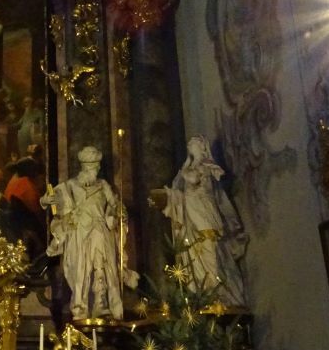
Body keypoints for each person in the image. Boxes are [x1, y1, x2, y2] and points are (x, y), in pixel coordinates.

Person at [41, 146, 137, 320]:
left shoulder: (103, 185)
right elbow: (50, 198)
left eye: (97, 167)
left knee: (103, 267)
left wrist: (116, 213)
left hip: (100, 230)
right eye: (94, 167)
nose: (96, 170)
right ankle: (80, 307)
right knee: (80, 271)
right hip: (79, 233)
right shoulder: (70, 186)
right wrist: (46, 200)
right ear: (85, 168)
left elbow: (116, 205)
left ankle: (101, 303)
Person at [154, 135, 248, 308]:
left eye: (194, 143)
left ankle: (217, 291)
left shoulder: (205, 166)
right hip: (192, 217)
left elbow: (193, 179)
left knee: (209, 248)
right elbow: (180, 190)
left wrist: (186, 166)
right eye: (189, 143)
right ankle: (204, 293)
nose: (190, 145)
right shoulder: (190, 168)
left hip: (204, 213)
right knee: (194, 251)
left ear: (202, 148)